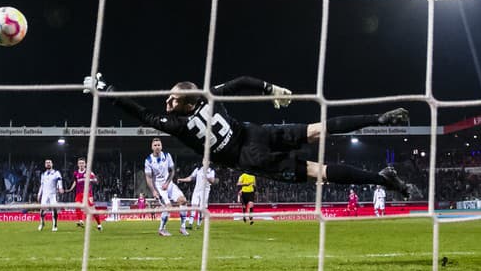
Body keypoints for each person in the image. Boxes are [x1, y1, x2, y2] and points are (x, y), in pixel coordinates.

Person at [83, 74, 415, 196]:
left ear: (185, 103)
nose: (167, 101)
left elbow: (139, 113)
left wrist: (107, 92)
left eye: (173, 98)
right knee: (318, 128)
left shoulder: (178, 125)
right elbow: (242, 81)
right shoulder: (209, 96)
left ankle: (384, 180)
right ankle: (379, 117)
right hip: (258, 134)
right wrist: (271, 88)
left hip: (251, 157)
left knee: (318, 172)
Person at [144, 137, 189, 236]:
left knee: (183, 200)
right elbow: (148, 178)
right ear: (152, 147)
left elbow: (172, 170)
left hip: (169, 184)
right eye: (155, 145)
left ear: (161, 146)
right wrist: (153, 191)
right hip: (159, 188)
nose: (157, 147)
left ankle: (183, 227)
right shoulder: (148, 160)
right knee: (168, 207)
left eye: (158, 145)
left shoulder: (167, 156)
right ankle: (162, 229)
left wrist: (167, 183)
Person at [66, 157, 103, 231]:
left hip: (88, 194)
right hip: (79, 193)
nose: (81, 165)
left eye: (82, 163)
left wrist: (89, 179)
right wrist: (70, 189)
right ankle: (80, 221)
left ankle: (99, 224)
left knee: (92, 209)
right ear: (77, 164)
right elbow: (75, 182)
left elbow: (96, 181)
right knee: (77, 205)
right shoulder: (76, 173)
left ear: (85, 164)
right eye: (80, 163)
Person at [177, 163, 217, 229]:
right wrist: (181, 179)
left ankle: (198, 224)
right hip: (197, 191)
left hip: (205, 191)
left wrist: (206, 177)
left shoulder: (211, 171)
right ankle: (190, 224)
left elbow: (212, 181)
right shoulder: (198, 169)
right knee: (194, 206)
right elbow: (190, 178)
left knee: (201, 208)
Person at [37, 159, 64, 232]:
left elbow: (59, 180)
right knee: (42, 210)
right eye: (46, 163)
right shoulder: (43, 174)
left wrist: (60, 187)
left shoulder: (56, 172)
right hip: (45, 195)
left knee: (54, 209)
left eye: (49, 163)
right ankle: (42, 223)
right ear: (45, 165)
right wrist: (39, 193)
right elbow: (42, 185)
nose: (48, 164)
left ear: (52, 164)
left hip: (53, 194)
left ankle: (55, 225)